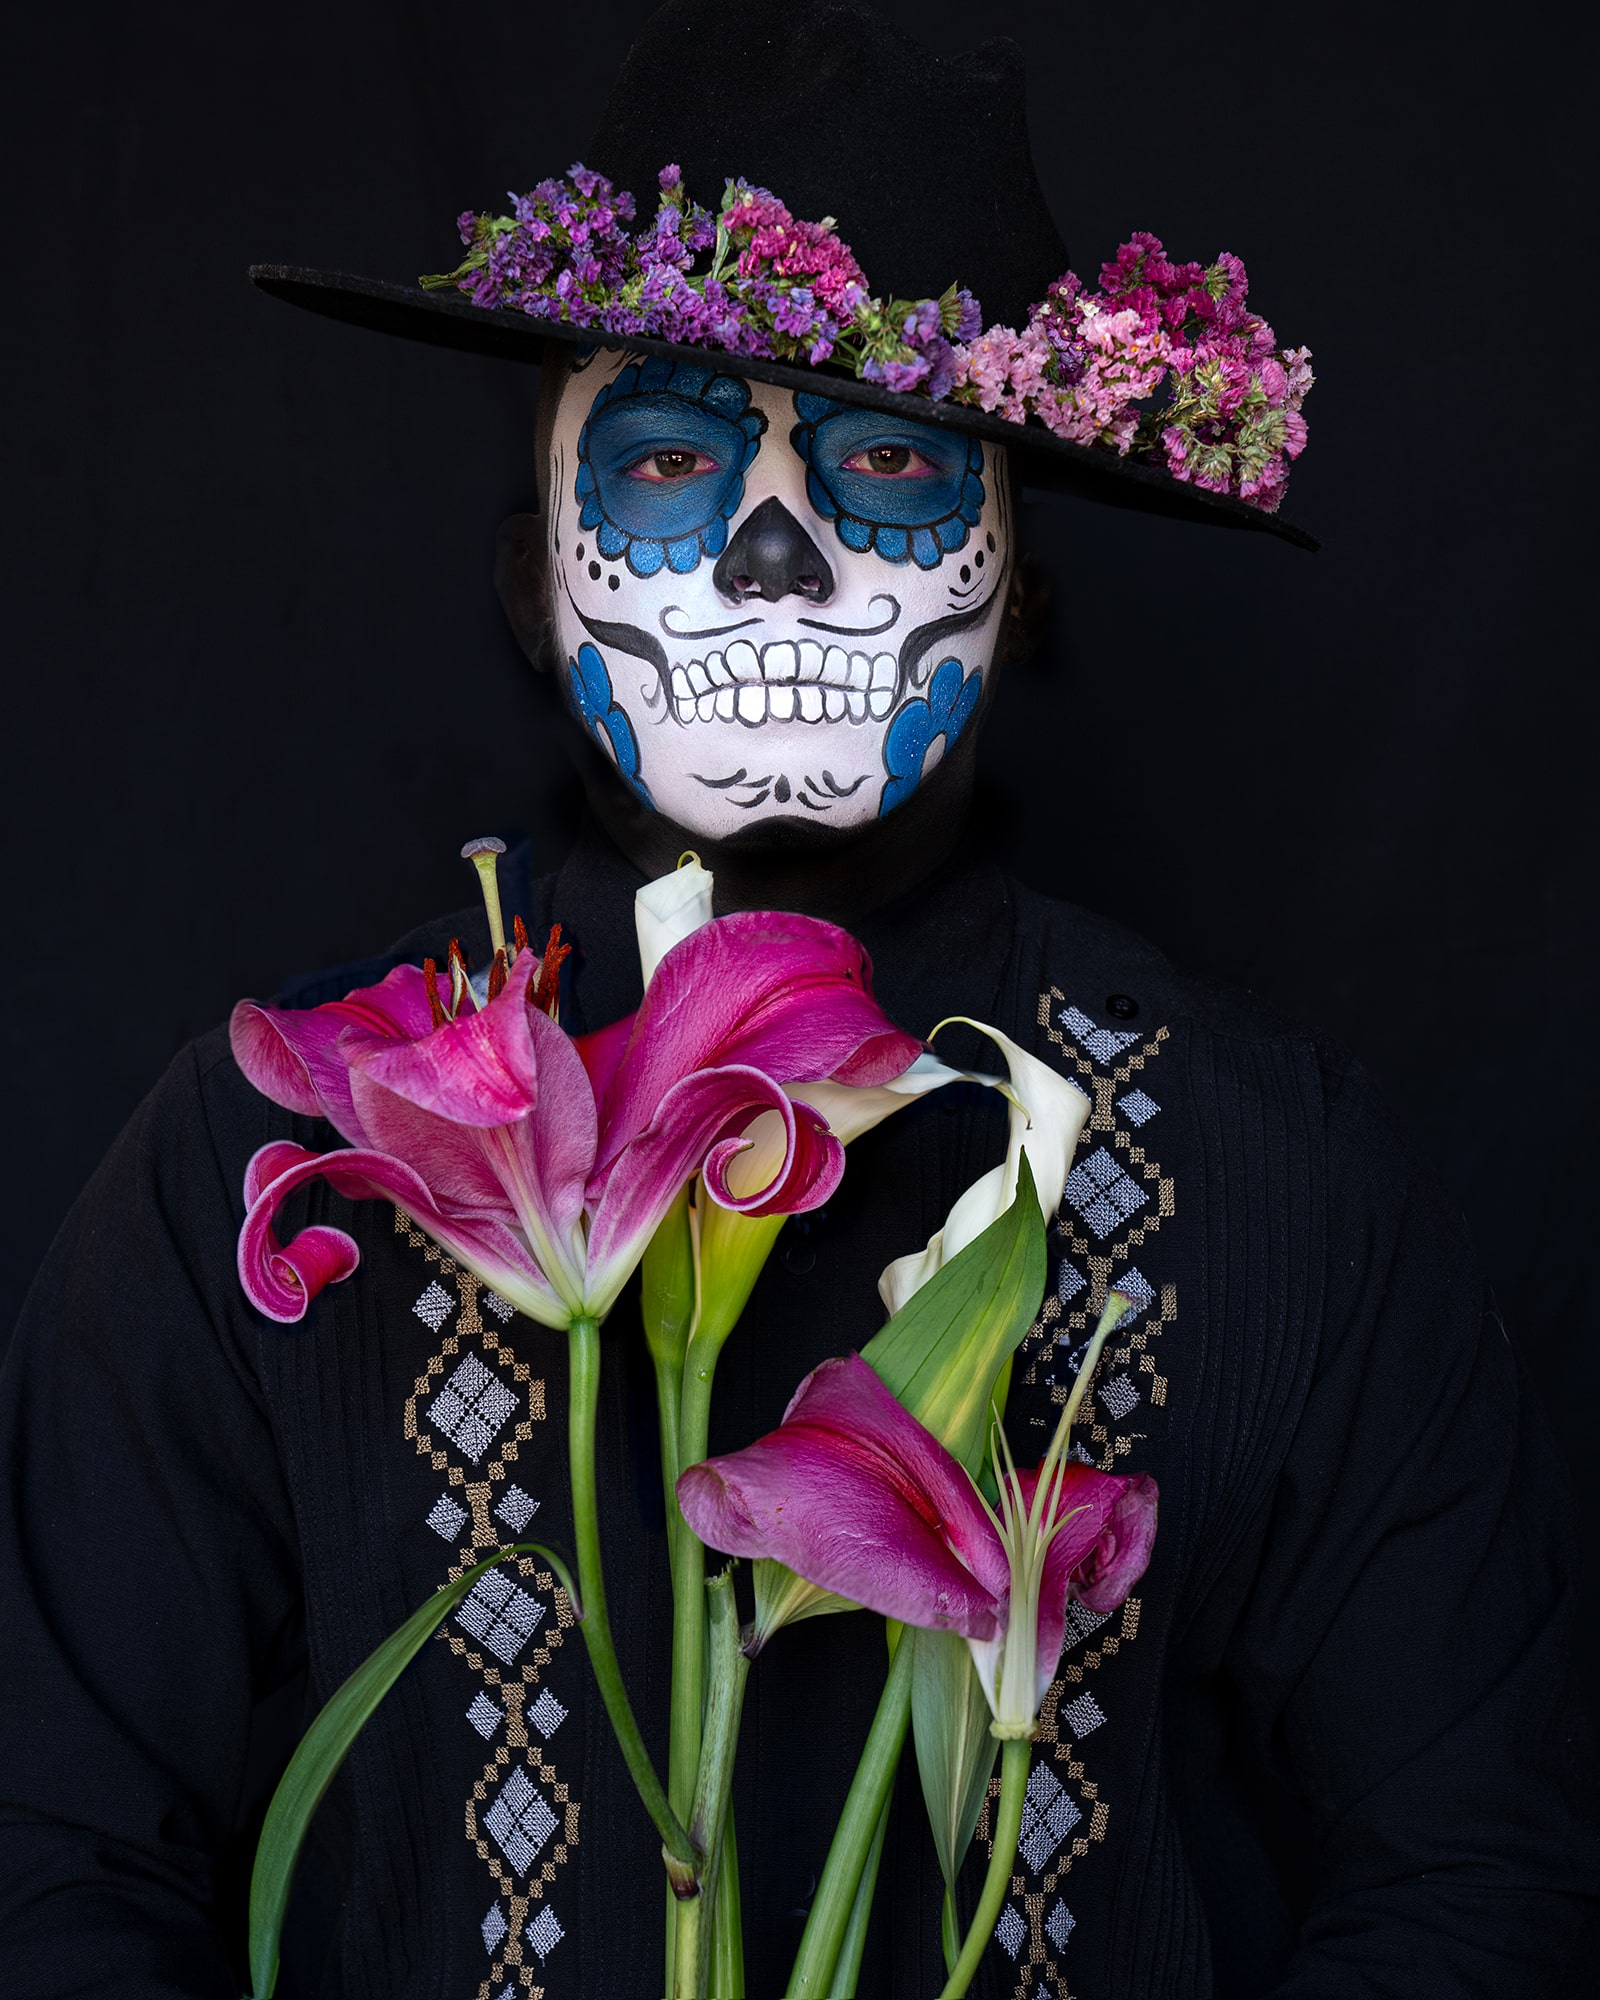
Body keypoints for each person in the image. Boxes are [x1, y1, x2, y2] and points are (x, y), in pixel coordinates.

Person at [1, 3, 1593, 1996]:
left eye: (891, 468)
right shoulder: (283, 1140)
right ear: (526, 580)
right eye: (668, 458)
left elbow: (1478, 1875)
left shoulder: (1277, 1176)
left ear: (1015, 583)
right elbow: (45, 1857)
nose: (775, 554)